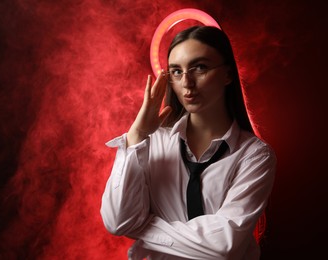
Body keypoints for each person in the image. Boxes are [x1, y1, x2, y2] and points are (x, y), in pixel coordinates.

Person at [101, 25, 276, 260]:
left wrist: (141, 227)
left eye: (199, 67)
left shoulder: (255, 155)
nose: (187, 83)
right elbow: (116, 221)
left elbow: (223, 246)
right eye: (176, 71)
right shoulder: (151, 142)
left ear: (227, 74)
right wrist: (136, 135)